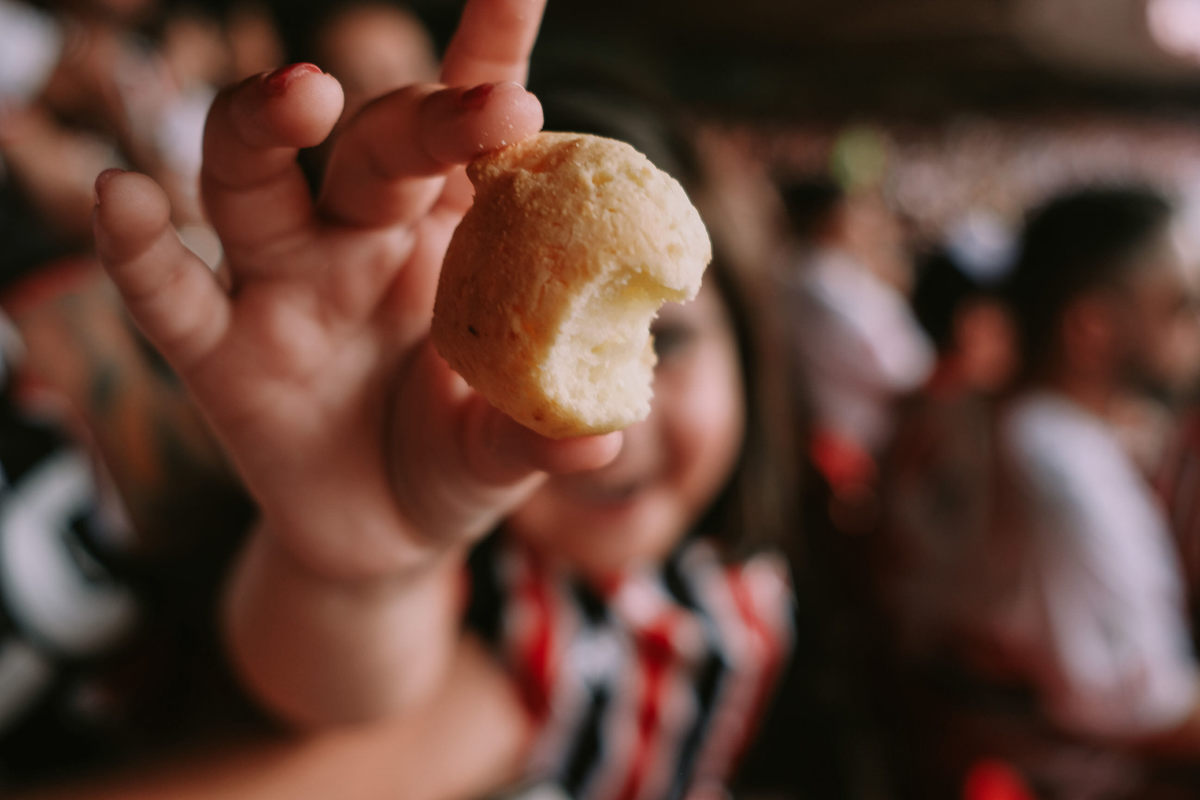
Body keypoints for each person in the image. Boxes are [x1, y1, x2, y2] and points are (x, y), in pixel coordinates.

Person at [89, 3, 799, 799]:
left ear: (753, 349)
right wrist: (363, 576)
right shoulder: (479, 592)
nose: (621, 440)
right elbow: (326, 685)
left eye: (682, 340)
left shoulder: (753, 594)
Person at [885, 185, 1200, 798]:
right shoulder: (1061, 472)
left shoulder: (982, 422)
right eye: (1181, 306)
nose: (1195, 330)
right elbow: (1136, 707)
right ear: (1092, 326)